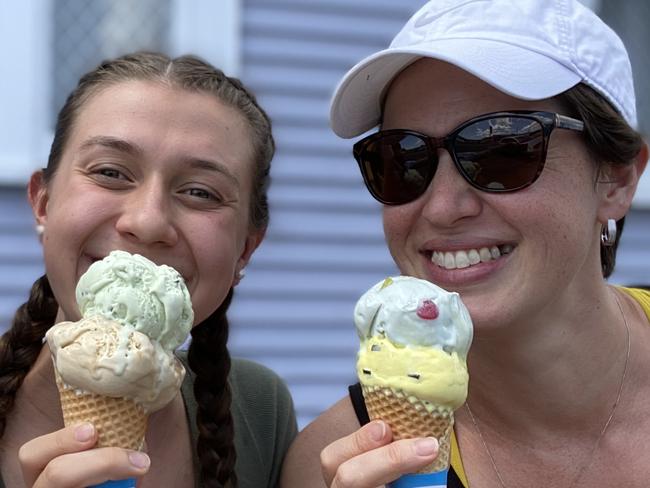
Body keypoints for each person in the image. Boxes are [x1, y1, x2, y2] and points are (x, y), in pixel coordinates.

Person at [280, 1, 649, 487]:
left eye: (501, 151)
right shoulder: (334, 466)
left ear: (617, 181)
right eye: (402, 159)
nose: (442, 207)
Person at [0, 52, 297, 488]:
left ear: (245, 251)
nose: (147, 222)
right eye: (110, 172)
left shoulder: (259, 409)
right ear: (43, 203)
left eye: (200, 191)